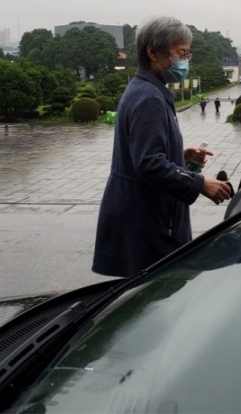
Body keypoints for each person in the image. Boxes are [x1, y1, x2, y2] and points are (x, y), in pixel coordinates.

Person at [92, 16, 232, 278]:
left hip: (142, 213)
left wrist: (179, 155)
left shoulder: (145, 89)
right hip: (147, 220)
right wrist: (199, 183)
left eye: (187, 54)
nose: (185, 61)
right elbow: (148, 162)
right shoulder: (149, 98)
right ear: (153, 52)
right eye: (181, 53)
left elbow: (142, 153)